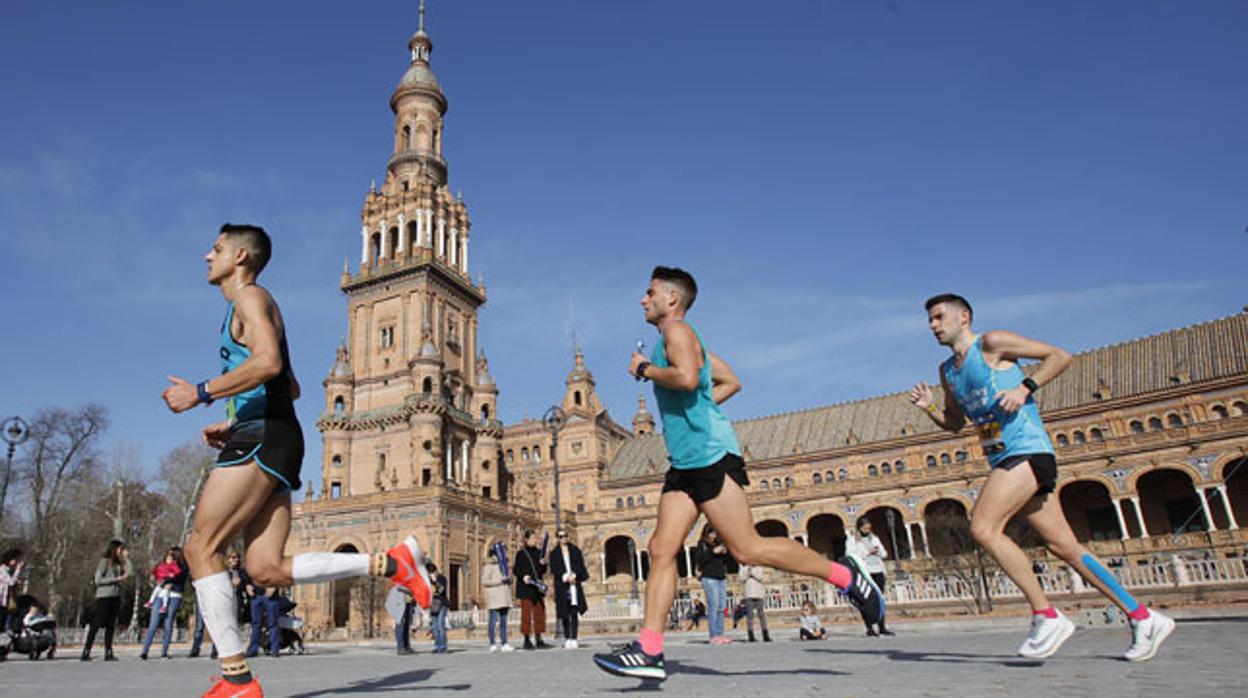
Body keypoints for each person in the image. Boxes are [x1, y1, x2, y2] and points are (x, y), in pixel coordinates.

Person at [162, 223, 433, 697]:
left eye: (217, 248)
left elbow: (268, 363)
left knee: (200, 548)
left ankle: (236, 680)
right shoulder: (249, 305)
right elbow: (290, 386)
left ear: (242, 256)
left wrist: (202, 394)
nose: (208, 256)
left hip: (263, 437)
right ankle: (390, 564)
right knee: (265, 568)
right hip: (273, 432)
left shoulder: (249, 297)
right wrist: (235, 417)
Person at [594, 267, 884, 681]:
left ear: (672, 299)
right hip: (685, 462)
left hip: (709, 457)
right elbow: (728, 381)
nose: (643, 299)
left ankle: (845, 574)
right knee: (660, 548)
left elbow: (688, 378)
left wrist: (645, 371)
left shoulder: (678, 332)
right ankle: (649, 650)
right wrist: (706, 404)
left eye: (650, 292)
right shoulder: (678, 339)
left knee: (747, 548)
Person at [911, 293, 1174, 661]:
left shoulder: (993, 343)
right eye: (930, 320)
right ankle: (1143, 617)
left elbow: (1060, 356)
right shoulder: (948, 372)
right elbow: (956, 424)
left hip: (1027, 450)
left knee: (983, 529)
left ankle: (1046, 614)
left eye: (939, 317)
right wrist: (930, 409)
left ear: (964, 317)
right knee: (1064, 546)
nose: (933, 326)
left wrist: (1024, 388)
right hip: (1003, 456)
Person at [81, 540, 132, 661]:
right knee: (96, 624)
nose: (121, 551)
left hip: (115, 596)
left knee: (111, 625)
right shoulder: (104, 562)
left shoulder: (119, 563)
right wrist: (115, 579)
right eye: (120, 549)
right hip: (104, 597)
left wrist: (127, 559)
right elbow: (98, 580)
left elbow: (129, 573)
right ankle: (86, 651)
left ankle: (108, 651)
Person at [191, 552, 243, 659]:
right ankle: (195, 649)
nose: (235, 560)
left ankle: (217, 650)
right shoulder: (218, 572)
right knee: (200, 626)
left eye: (236, 558)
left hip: (227, 601)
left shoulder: (238, 572)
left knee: (221, 626)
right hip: (209, 599)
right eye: (232, 558)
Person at [140, 546, 189, 660]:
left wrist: (169, 581)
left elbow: (180, 577)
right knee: (154, 622)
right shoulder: (163, 564)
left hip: (175, 595)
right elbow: (158, 574)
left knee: (168, 621)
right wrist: (162, 581)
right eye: (169, 554)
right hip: (161, 594)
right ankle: (145, 650)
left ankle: (164, 651)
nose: (171, 556)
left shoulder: (183, 567)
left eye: (173, 554)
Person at [848, 521, 893, 636]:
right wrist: (867, 552)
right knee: (866, 600)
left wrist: (878, 552)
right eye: (865, 528)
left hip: (878, 569)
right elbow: (850, 555)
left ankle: (882, 626)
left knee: (879, 599)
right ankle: (869, 628)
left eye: (869, 528)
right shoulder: (852, 540)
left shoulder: (874, 538)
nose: (867, 530)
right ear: (859, 527)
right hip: (865, 572)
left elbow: (884, 553)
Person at [548, 529, 589, 649]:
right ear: (558, 538)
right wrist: (565, 577)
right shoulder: (554, 553)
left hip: (574, 584)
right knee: (564, 612)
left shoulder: (575, 551)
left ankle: (574, 637)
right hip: (562, 585)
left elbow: (580, 565)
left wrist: (574, 575)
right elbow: (554, 569)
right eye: (561, 536)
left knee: (574, 611)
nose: (563, 538)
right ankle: (567, 637)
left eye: (565, 536)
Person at [513, 530, 550, 650]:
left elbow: (542, 571)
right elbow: (516, 570)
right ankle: (526, 638)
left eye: (536, 538)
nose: (535, 540)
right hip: (526, 588)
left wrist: (544, 564)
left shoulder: (539, 553)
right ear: (526, 540)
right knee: (526, 614)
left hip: (537, 587)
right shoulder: (521, 554)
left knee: (540, 613)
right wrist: (523, 575)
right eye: (533, 538)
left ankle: (539, 637)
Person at [694, 525, 731, 644]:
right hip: (709, 578)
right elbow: (700, 559)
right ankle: (713, 635)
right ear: (706, 533)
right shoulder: (702, 544)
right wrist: (712, 552)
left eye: (715, 532)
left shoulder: (719, 543)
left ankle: (720, 633)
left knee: (721, 607)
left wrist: (725, 553)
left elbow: (726, 562)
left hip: (721, 577)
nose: (713, 535)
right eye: (711, 533)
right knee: (713, 606)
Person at [481, 545, 514, 652]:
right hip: (495, 597)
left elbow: (510, 578)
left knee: (503, 622)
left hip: (504, 596)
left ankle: (504, 642)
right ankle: (492, 642)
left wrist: (509, 579)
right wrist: (499, 581)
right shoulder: (489, 565)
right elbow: (484, 581)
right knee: (493, 621)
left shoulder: (505, 565)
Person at [145, 547, 185, 614]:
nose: (168, 560)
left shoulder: (174, 565)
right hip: (162, 581)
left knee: (165, 593)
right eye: (168, 558)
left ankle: (164, 606)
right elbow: (157, 571)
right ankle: (150, 602)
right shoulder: (162, 565)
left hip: (167, 582)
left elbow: (178, 572)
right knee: (156, 590)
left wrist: (173, 574)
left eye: (170, 559)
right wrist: (151, 572)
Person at [245, 585, 281, 658]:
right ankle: (253, 650)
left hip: (271, 594)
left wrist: (275, 586)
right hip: (255, 594)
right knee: (255, 624)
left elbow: (279, 573)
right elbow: (246, 573)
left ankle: (274, 649)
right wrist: (247, 584)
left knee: (273, 623)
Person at [738, 563, 770, 642]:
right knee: (750, 615)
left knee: (761, 614)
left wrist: (752, 572)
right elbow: (742, 578)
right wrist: (748, 572)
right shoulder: (743, 566)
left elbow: (760, 577)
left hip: (759, 593)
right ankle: (751, 634)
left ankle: (765, 634)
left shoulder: (759, 565)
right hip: (749, 593)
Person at [0, 548, 25, 635]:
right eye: (15, 559)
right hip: (1, 601)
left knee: (3, 623)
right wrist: (18, 570)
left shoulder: (8, 571)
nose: (16, 562)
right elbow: (11, 582)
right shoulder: (2, 570)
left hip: (5, 602)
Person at [427, 563, 449, 653]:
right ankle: (436, 645)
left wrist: (435, 581)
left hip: (442, 603)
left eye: (432, 572)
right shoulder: (428, 580)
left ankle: (443, 646)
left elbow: (441, 590)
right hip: (433, 605)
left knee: (440, 625)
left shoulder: (441, 578)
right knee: (434, 627)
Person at [394, 586, 415, 655]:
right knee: (400, 625)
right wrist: (411, 589)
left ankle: (407, 646)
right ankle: (400, 648)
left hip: (408, 602)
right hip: (400, 603)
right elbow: (399, 587)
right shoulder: (399, 577)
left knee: (406, 625)